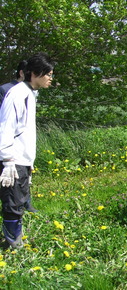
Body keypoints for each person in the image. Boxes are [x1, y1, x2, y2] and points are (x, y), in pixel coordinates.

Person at [0, 53, 55, 248]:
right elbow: (6, 127)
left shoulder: (29, 93)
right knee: (13, 204)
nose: (50, 78)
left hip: (23, 160)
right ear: (35, 73)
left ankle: (15, 241)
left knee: (19, 200)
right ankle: (12, 245)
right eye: (48, 74)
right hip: (13, 161)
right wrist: (7, 161)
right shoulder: (17, 94)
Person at [0, 61, 38, 213]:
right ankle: (12, 232)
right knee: (11, 197)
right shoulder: (10, 91)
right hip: (10, 148)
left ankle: (25, 205)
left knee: (20, 188)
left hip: (23, 151)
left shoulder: (30, 91)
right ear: (23, 73)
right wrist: (7, 158)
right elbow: (7, 123)